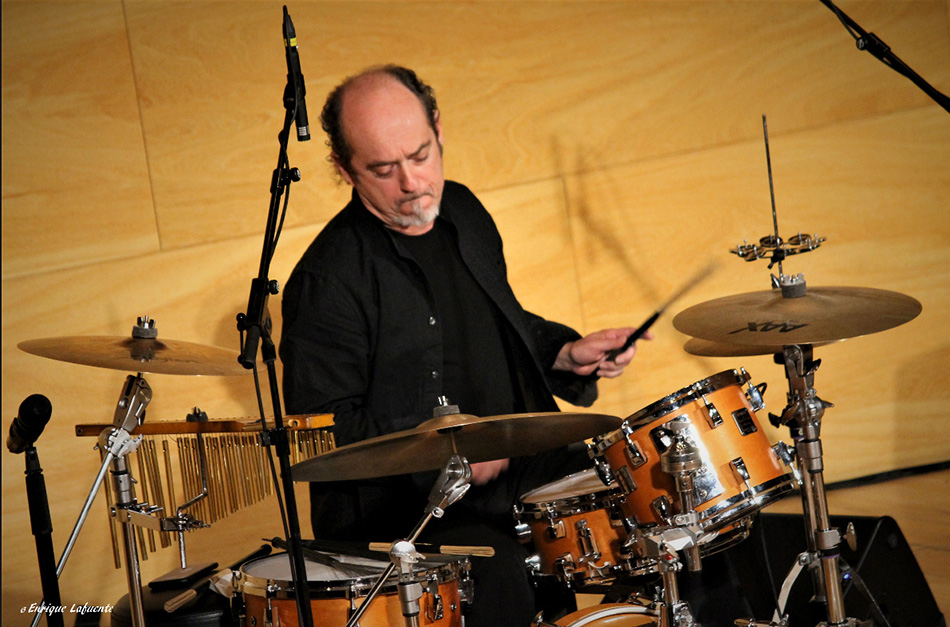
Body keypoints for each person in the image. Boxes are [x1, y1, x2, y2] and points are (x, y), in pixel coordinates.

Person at [279, 65, 647, 626]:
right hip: (408, 510)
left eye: (420, 155)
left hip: (516, 465)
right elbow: (322, 433)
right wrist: (449, 446)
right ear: (343, 168)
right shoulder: (327, 281)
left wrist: (563, 353)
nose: (411, 182)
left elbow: (494, 322)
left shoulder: (464, 210)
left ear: (439, 129)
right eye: (383, 169)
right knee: (497, 574)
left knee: (651, 494)